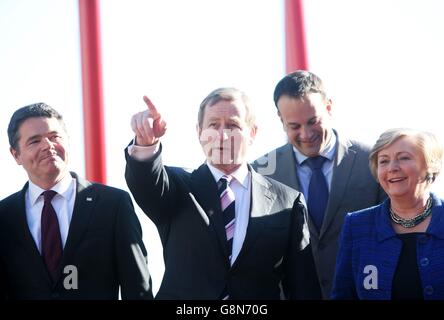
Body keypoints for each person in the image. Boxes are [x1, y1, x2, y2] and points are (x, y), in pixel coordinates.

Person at [124, 88, 320, 299]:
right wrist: (146, 143)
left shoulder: (287, 202)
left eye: (233, 125)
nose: (223, 135)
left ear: (252, 133)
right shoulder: (176, 187)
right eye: (213, 125)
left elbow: (303, 287)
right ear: (199, 132)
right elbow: (146, 182)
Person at [253, 70, 386, 298]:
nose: (306, 134)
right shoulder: (261, 172)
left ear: (329, 107)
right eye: (294, 126)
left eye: (313, 122)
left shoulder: (373, 161)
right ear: (280, 119)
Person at [0, 103, 152, 300]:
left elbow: (138, 288)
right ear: (16, 155)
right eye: (34, 141)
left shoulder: (113, 204)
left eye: (54, 137)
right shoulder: (5, 217)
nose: (48, 145)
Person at [331, 128, 444, 299]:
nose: (392, 168)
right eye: (383, 161)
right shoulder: (357, 225)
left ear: (429, 166)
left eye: (404, 158)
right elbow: (343, 294)